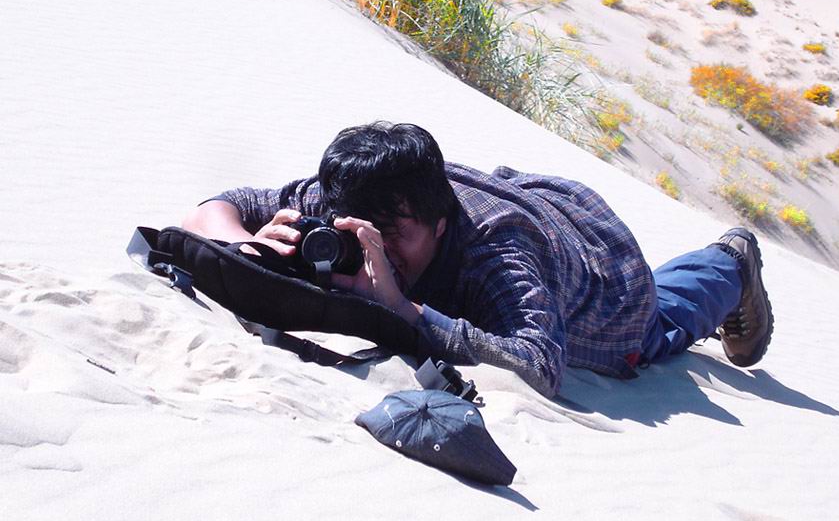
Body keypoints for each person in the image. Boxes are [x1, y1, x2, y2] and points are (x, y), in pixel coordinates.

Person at [182, 121, 774, 397]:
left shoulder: (493, 252)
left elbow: (540, 362)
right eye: (364, 233)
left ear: (440, 224)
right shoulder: (350, 202)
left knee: (659, 327)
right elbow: (217, 207)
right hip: (521, 200)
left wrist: (402, 308)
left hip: (602, 282)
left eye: (394, 238)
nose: (374, 249)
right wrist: (245, 244)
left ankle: (730, 263)